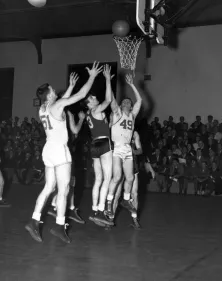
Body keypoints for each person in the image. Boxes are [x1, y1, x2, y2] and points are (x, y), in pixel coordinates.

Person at [25, 62, 102, 243]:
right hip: (59, 151)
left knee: (49, 187)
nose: (55, 91)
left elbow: (61, 102)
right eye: (52, 90)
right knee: (64, 189)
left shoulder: (42, 109)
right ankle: (60, 226)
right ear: (49, 95)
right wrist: (91, 76)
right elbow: (81, 95)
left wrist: (70, 87)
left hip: (49, 150)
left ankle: (34, 219)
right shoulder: (57, 106)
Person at [69, 64, 114, 226]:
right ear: (90, 103)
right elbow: (108, 100)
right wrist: (108, 79)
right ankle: (101, 211)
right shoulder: (95, 110)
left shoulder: (88, 113)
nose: (96, 98)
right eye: (93, 98)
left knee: (98, 179)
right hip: (103, 142)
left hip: (94, 145)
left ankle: (95, 209)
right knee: (107, 178)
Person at [105, 73, 142, 220]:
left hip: (127, 148)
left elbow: (139, 100)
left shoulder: (132, 116)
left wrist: (132, 85)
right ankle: (109, 203)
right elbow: (111, 99)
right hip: (117, 148)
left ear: (131, 106)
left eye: (128, 102)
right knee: (117, 177)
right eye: (124, 102)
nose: (126, 103)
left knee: (130, 177)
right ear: (121, 106)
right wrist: (108, 80)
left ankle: (126, 200)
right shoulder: (117, 113)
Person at [47, 111, 86, 224]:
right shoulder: (68, 113)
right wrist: (81, 119)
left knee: (61, 182)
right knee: (69, 183)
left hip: (54, 149)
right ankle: (62, 208)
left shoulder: (53, 112)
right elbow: (75, 130)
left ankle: (59, 206)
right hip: (65, 151)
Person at [112, 130, 143, 229]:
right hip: (120, 164)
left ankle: (135, 220)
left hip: (132, 165)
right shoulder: (118, 130)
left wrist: (132, 150)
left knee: (135, 194)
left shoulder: (135, 133)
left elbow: (140, 150)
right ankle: (110, 219)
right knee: (116, 194)